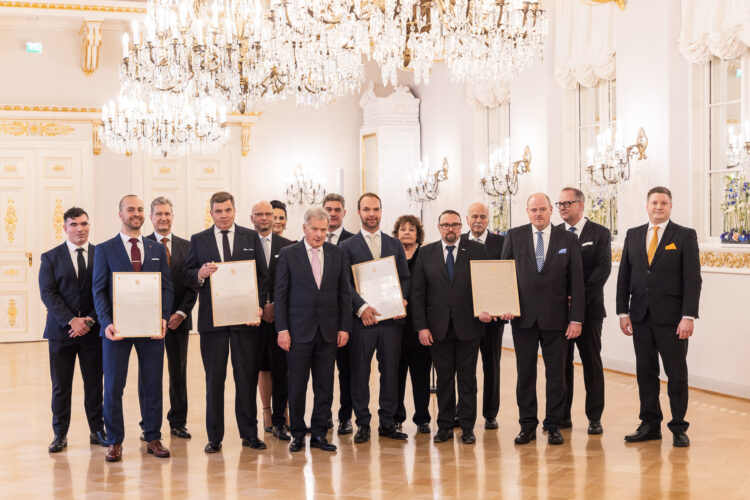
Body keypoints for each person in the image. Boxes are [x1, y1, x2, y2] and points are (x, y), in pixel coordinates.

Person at [183, 191, 268, 454]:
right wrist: (199, 273)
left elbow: (263, 277)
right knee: (214, 380)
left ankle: (249, 434)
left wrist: (258, 305)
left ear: (235, 211)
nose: (223, 215)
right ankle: (214, 437)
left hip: (245, 321)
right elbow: (186, 275)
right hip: (213, 323)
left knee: (246, 378)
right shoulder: (198, 240)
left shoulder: (250, 236)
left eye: (227, 210)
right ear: (211, 213)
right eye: (218, 211)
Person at [616, 186, 701, 448]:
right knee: (645, 373)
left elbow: (692, 279)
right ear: (647, 205)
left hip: (673, 319)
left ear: (671, 206)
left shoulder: (684, 236)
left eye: (663, 203)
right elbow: (624, 276)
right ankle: (650, 424)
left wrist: (688, 316)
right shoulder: (633, 235)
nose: (658, 207)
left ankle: (678, 427)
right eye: (654, 202)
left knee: (676, 374)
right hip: (640, 316)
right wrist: (623, 311)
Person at [92, 195, 173, 462]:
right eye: (130, 209)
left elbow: (166, 287)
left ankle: (153, 437)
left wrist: (162, 317)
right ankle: (114, 441)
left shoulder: (156, 249)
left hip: (151, 329)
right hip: (117, 330)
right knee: (114, 385)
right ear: (120, 214)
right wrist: (106, 323)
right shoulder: (104, 249)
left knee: (152, 384)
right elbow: (99, 290)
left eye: (139, 209)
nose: (135, 214)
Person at [499, 193, 584, 446]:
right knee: (525, 374)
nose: (538, 213)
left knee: (556, 375)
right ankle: (527, 425)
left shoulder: (567, 238)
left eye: (543, 209)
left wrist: (576, 319)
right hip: (522, 319)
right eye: (533, 209)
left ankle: (553, 424)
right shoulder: (514, 236)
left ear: (551, 211)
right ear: (527, 212)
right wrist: (503, 306)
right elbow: (504, 275)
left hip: (556, 320)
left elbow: (576, 283)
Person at [275, 208, 352, 453]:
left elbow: (345, 293)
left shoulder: (337, 253)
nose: (320, 234)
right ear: (305, 228)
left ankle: (319, 433)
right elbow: (281, 294)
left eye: (324, 229)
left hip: (329, 332)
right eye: (315, 229)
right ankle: (298, 433)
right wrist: (282, 329)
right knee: (297, 385)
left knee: (324, 385)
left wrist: (344, 327)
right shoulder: (289, 253)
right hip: (297, 332)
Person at [410, 210, 490, 444]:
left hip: (469, 326)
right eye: (446, 225)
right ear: (438, 227)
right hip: (437, 329)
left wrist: (489, 307)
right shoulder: (426, 253)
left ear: (461, 226)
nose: (451, 229)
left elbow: (486, 285)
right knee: (444, 379)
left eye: (455, 225)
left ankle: (467, 427)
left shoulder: (477, 250)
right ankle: (444, 426)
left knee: (467, 380)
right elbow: (417, 294)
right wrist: (422, 328)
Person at [341, 193, 410, 443]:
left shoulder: (394, 244)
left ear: (382, 211)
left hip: (391, 322)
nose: (372, 214)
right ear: (358, 212)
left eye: (376, 209)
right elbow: (345, 284)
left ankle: (388, 423)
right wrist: (361, 308)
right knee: (359, 373)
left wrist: (402, 297)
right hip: (362, 322)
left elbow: (404, 277)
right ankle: (362, 424)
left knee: (390, 372)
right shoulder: (346, 247)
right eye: (366, 209)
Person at [39, 207, 106, 453]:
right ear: (65, 227)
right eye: (74, 224)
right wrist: (71, 321)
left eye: (85, 224)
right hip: (61, 333)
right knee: (61, 386)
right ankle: (59, 433)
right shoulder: (50, 257)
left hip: (93, 332)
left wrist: (89, 320)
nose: (80, 229)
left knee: (94, 384)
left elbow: (107, 292)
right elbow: (49, 294)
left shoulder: (102, 254)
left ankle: (97, 430)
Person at [556, 187, 611, 434]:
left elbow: (602, 271)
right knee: (561, 365)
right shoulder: (554, 233)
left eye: (567, 203)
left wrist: (576, 301)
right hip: (558, 311)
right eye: (559, 204)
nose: (562, 207)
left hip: (590, 310)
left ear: (581, 204)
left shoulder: (599, 233)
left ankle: (594, 417)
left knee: (591, 364)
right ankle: (562, 416)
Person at [251, 200, 294, 441]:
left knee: (281, 369)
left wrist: (276, 306)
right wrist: (259, 306)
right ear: (252, 217)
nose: (267, 218)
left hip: (280, 318)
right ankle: (254, 421)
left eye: (270, 214)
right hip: (252, 319)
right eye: (261, 214)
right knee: (255, 369)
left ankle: (280, 420)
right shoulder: (245, 243)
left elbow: (291, 282)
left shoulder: (287, 246)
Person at [460, 202, 506, 430]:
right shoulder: (458, 241)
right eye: (474, 216)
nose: (478, 220)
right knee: (464, 368)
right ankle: (462, 412)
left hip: (494, 319)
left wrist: (503, 307)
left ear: (489, 219)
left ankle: (490, 413)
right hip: (464, 318)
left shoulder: (502, 242)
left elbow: (508, 277)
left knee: (492, 366)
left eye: (483, 216)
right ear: (466, 219)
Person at [392, 214, 431, 434]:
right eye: (402, 229)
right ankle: (397, 416)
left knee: (421, 374)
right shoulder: (391, 255)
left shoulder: (426, 255)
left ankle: (422, 418)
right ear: (397, 233)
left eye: (411, 229)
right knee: (396, 375)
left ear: (418, 233)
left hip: (419, 325)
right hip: (395, 325)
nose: (406, 232)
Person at [322, 193, 354, 434]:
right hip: (317, 322)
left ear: (344, 213)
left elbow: (352, 285)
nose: (333, 213)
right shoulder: (310, 241)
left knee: (347, 372)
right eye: (328, 209)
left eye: (337, 209)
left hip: (345, 319)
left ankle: (345, 417)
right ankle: (323, 417)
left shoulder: (353, 242)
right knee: (322, 373)